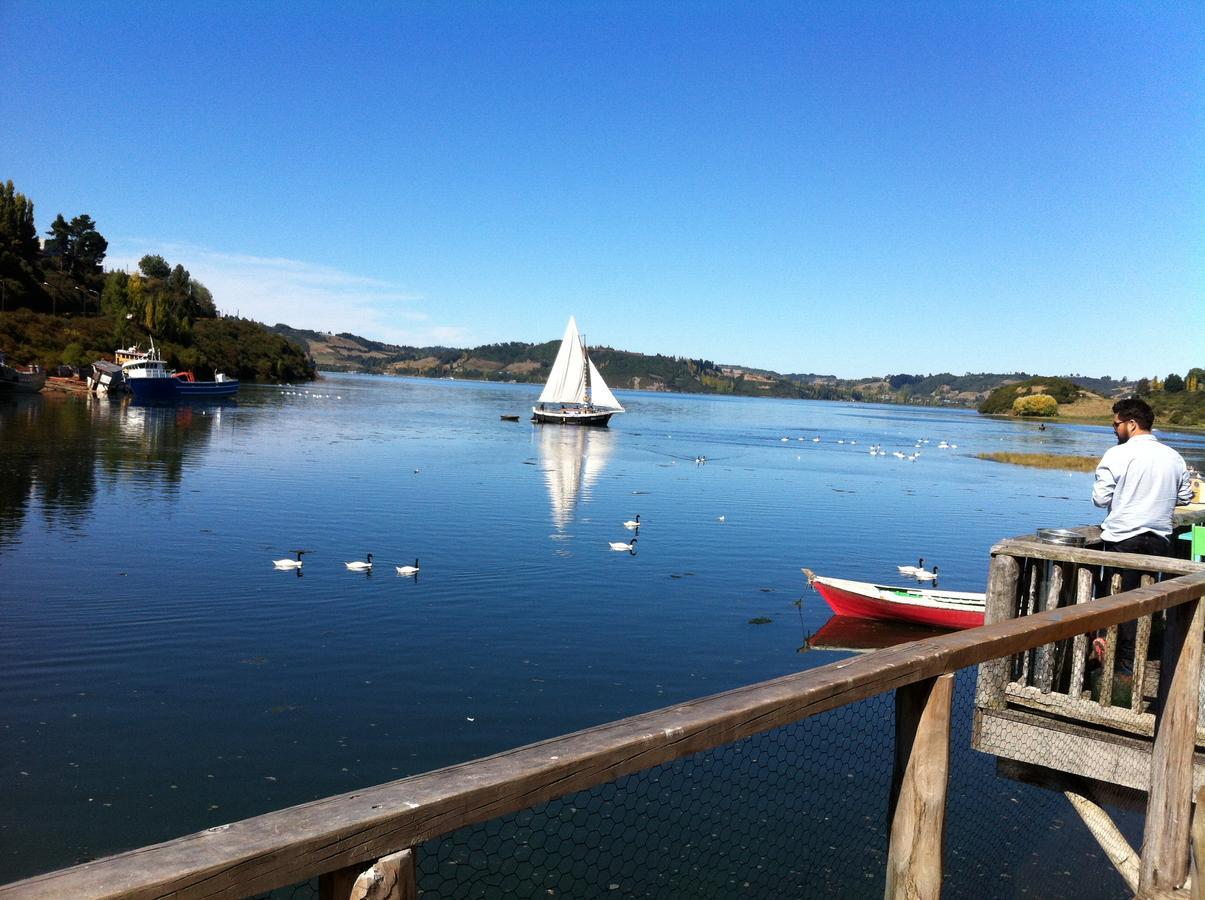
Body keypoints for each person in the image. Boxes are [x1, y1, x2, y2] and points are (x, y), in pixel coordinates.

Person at [1092, 397, 1193, 670]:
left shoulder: (1117, 455)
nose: (1114, 429)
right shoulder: (1174, 457)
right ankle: (1129, 663)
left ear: (1132, 424)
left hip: (1122, 538)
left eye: (1116, 424)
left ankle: (1112, 658)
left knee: (1116, 600)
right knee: (1143, 604)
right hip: (1159, 541)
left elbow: (1101, 499)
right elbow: (1185, 496)